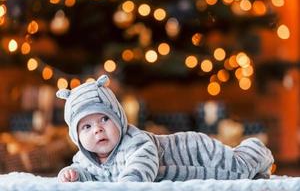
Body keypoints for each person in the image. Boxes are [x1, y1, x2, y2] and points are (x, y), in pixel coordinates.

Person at [56, 74, 274, 182]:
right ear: (76, 137)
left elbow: (142, 164)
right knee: (249, 179)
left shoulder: (135, 141)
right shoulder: (85, 158)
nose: (97, 130)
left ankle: (254, 149)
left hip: (193, 152)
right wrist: (74, 174)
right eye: (86, 126)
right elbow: (89, 176)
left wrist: (129, 183)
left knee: (239, 168)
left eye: (104, 119)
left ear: (120, 119)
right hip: (189, 165)